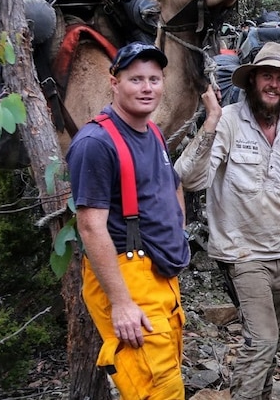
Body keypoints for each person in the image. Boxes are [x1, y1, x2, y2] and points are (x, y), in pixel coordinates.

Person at [174, 42, 280, 400]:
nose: (273, 84)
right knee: (263, 340)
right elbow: (189, 178)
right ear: (252, 80)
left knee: (274, 341)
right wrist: (211, 120)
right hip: (242, 253)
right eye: (267, 76)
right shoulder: (230, 122)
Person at [66, 42, 190, 399]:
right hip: (129, 277)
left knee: (168, 375)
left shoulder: (153, 133)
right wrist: (121, 302)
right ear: (114, 82)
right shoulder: (95, 143)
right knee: (156, 389)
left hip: (162, 275)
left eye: (154, 78)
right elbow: (90, 226)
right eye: (136, 79)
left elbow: (173, 187)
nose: (147, 87)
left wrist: (175, 236)